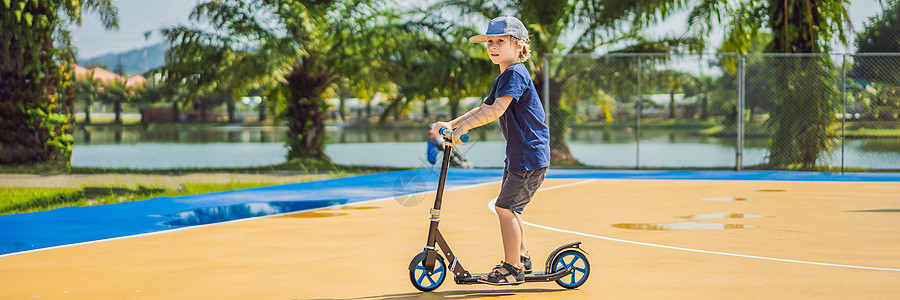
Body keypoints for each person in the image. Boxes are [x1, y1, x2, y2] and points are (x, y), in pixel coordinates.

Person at [432, 15, 549, 285]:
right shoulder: (506, 76)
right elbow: (484, 108)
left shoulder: (515, 73)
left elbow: (497, 110)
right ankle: (522, 258)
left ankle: (512, 268)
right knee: (512, 209)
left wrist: (465, 130)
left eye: (500, 41)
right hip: (522, 157)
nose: (493, 47)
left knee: (504, 208)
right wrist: (452, 123)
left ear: (519, 46)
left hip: (528, 157)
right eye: (489, 42)